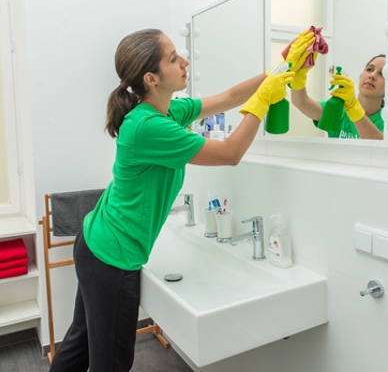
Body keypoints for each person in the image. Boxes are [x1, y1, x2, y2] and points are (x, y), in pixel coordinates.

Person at [49, 28, 314, 372]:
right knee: (110, 363)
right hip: (112, 257)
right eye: (174, 58)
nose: (185, 62)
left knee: (79, 343)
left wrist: (281, 69)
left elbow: (231, 95)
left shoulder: (168, 112)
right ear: (151, 77)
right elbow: (231, 153)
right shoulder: (149, 127)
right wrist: (262, 101)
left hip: (96, 241)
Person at [290, 54, 386, 140]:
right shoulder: (338, 110)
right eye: (370, 69)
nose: (372, 75)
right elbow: (301, 102)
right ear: (361, 76)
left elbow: (379, 144)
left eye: (382, 74)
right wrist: (298, 78)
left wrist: (353, 108)